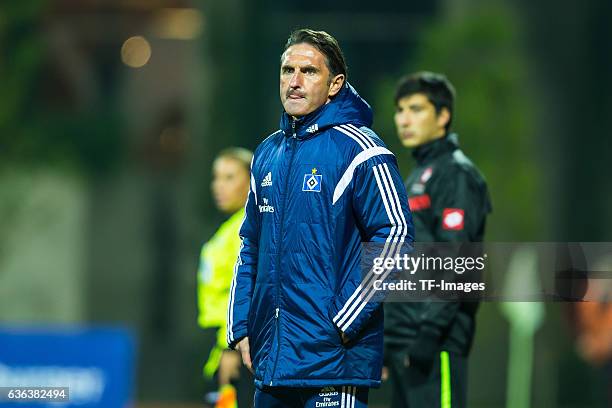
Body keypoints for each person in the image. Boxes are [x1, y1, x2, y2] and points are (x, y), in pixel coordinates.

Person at [226, 28, 414, 408]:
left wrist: (345, 318)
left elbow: (395, 235)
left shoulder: (361, 149)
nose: (293, 82)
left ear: (335, 84)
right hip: (272, 361)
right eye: (286, 70)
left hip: (332, 363)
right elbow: (250, 243)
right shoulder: (267, 153)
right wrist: (242, 325)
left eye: (308, 72)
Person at [383, 72, 492, 408]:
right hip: (404, 342)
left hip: (434, 344)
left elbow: (457, 260)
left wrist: (429, 335)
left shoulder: (455, 173)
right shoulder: (416, 175)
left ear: (443, 116)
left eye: (416, 109)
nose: (404, 119)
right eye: (400, 110)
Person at [197, 147, 254, 408]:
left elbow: (247, 288)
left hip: (234, 345)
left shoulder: (247, 227)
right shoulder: (229, 228)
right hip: (220, 342)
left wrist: (230, 348)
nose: (218, 186)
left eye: (230, 177)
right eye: (216, 177)